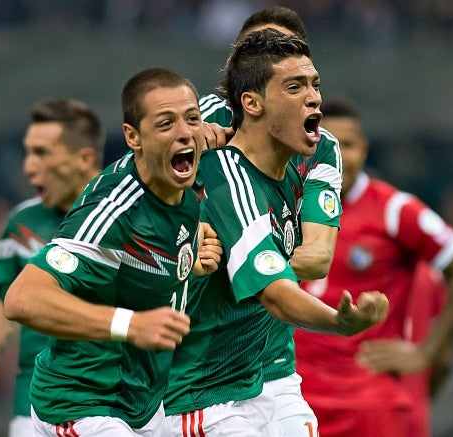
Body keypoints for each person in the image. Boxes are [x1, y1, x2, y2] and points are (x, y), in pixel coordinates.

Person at [162, 29, 388, 437]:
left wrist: (240, 259)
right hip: (199, 394)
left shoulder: (314, 154)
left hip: (267, 378)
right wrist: (339, 321)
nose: (314, 97)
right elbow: (276, 293)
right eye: (295, 86)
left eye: (315, 84)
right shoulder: (222, 172)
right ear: (251, 102)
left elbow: (317, 259)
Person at [2, 67, 222, 436]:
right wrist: (130, 325)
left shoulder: (185, 177)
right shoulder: (114, 211)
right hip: (82, 404)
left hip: (145, 406)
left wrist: (188, 258)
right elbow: (22, 299)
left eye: (192, 119)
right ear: (133, 137)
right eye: (165, 124)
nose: (185, 132)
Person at [295, 97, 453, 437]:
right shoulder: (286, 205)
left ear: (365, 149)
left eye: (348, 145)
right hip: (293, 400)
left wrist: (426, 352)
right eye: (325, 142)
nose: (337, 156)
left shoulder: (393, 210)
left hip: (366, 405)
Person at [196, 7, 343, 436]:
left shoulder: (319, 146)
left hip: (272, 360)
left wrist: (246, 260)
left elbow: (317, 257)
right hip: (196, 370)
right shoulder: (198, 123)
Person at [0, 98, 105, 437]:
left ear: (83, 159)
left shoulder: (129, 219)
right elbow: (4, 300)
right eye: (29, 153)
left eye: (43, 154)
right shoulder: (23, 222)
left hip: (103, 403)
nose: (29, 168)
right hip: (31, 404)